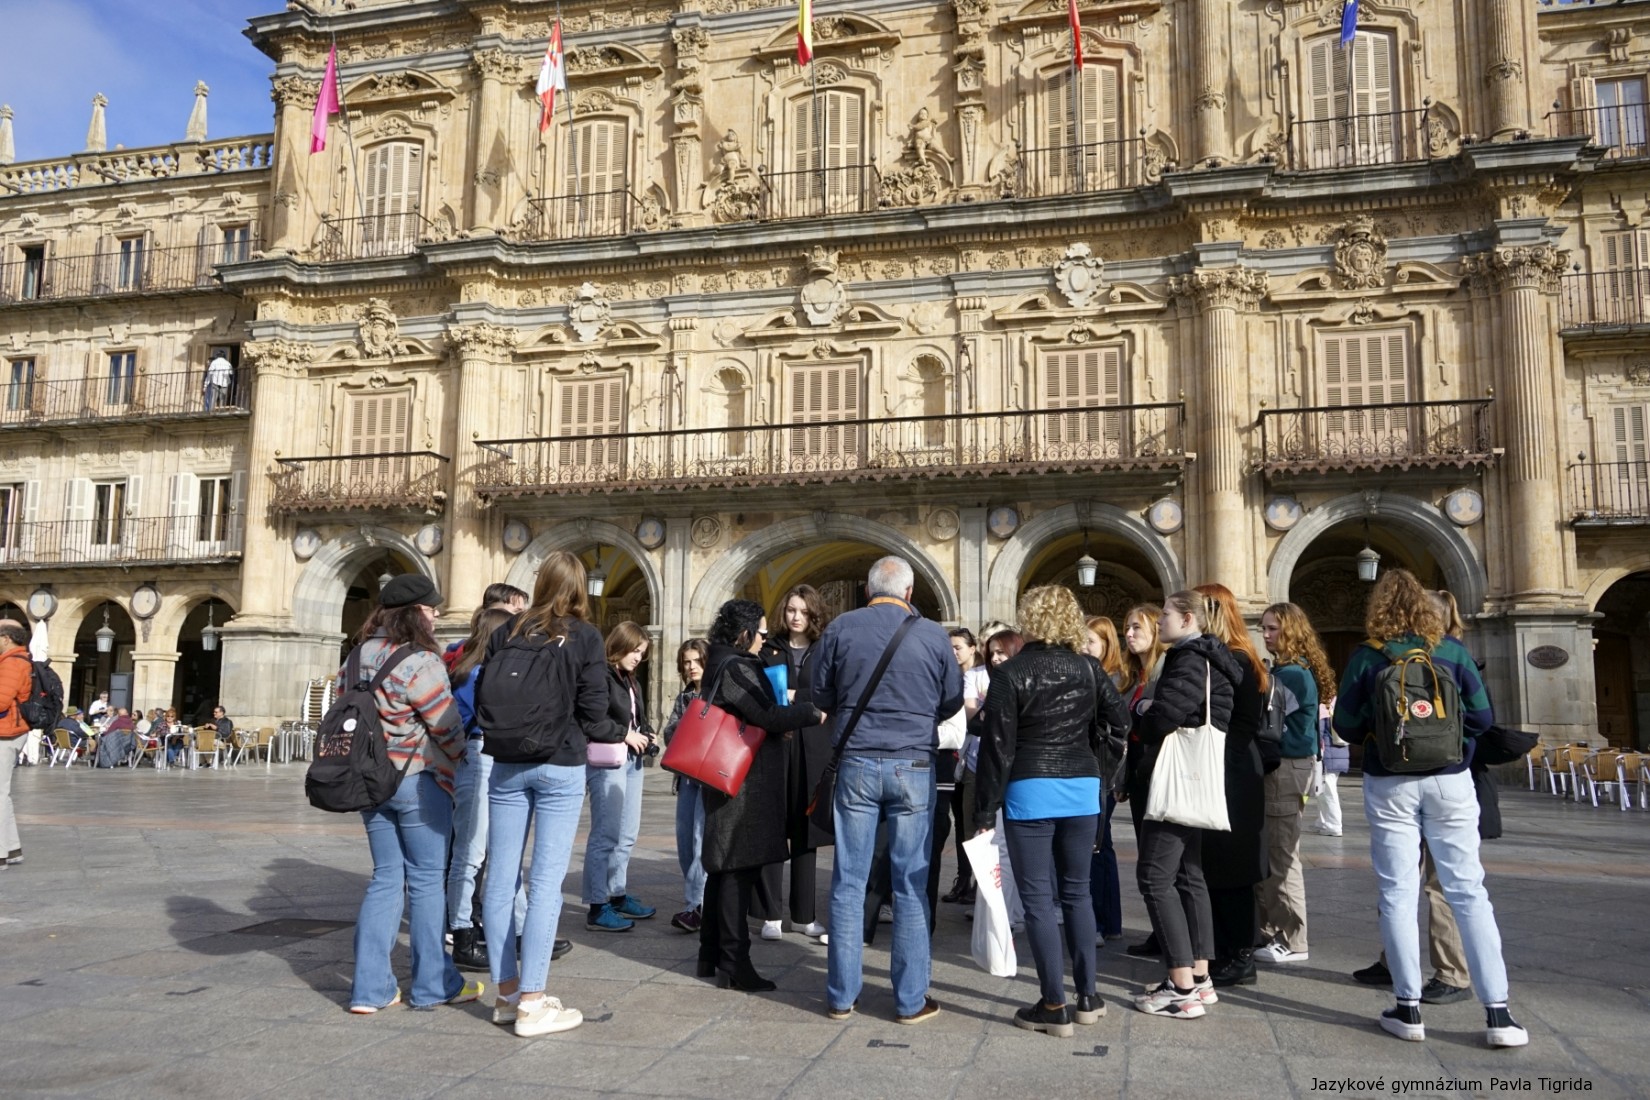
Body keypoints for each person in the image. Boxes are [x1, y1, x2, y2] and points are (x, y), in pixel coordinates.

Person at [1334, 569, 1526, 1048]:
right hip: (1450, 779)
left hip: (1389, 782)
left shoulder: (1367, 655)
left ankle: (1407, 1009)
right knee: (1468, 891)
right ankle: (1499, 1015)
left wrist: (1384, 730)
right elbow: (1483, 718)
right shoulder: (1452, 652)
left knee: (1398, 892)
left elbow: (1345, 725)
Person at [813, 556, 963, 1024]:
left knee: (848, 881)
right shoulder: (934, 635)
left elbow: (819, 693)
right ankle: (910, 1000)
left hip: (857, 760)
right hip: (913, 762)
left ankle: (841, 996)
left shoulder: (841, 628)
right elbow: (952, 700)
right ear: (910, 593)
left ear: (867, 590)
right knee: (911, 883)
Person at [974, 586, 1130, 1037]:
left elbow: (997, 747)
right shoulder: (1088, 667)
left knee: (1038, 898)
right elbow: (1121, 721)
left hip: (1030, 787)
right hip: (1081, 786)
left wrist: (984, 811)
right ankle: (1088, 996)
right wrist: (1092, 752)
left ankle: (1053, 1003)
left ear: (1028, 619)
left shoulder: (1011, 671)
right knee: (1077, 893)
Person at [479, 550, 606, 1037]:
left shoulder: (505, 631)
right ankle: (533, 1002)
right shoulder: (584, 636)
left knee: (500, 881)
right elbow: (594, 709)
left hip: (506, 764)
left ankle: (507, 996)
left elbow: (483, 692)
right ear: (577, 588)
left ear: (540, 583)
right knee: (546, 885)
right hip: (560, 764)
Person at [345, 573, 478, 1014]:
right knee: (425, 881)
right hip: (417, 780)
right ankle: (432, 985)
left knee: (386, 877)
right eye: (431, 608)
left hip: (369, 780)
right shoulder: (420, 660)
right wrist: (460, 759)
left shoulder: (356, 656)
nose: (436, 615)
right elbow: (445, 723)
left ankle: (370, 990)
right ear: (414, 613)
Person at [696, 599, 825, 991]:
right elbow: (767, 715)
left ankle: (711, 955)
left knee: (723, 868)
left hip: (727, 776)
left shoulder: (720, 661)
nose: (765, 641)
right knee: (737, 868)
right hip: (741, 783)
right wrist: (811, 713)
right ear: (744, 632)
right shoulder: (736, 666)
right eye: (761, 633)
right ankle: (735, 962)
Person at [1130, 592, 1240, 1019]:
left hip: (1179, 777)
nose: (1159, 622)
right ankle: (1200, 975)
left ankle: (1180, 987)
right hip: (1198, 775)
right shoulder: (1212, 657)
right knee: (1189, 874)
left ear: (1188, 618)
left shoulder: (1191, 658)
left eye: (1165, 615)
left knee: (1154, 876)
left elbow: (1166, 715)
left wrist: (1145, 710)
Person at [1192, 583, 1272, 991]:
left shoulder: (1234, 658)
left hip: (1232, 769)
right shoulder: (1238, 655)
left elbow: (1238, 723)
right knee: (1221, 862)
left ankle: (1240, 955)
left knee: (1232, 864)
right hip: (1232, 765)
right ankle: (1228, 949)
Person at [1255, 602, 1335, 968]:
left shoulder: (1292, 674)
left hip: (1286, 767)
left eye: (1272, 628)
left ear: (1291, 631)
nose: (1266, 634)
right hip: (1288, 766)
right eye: (1264, 628)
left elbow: (1270, 722)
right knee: (1274, 852)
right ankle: (1273, 930)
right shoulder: (1289, 670)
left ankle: (1293, 938)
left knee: (1281, 855)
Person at [756, 585, 831, 941]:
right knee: (771, 827)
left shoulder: (825, 648)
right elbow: (758, 690)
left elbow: (832, 693)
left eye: (803, 611)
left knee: (806, 832)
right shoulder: (769, 648)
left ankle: (803, 916)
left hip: (813, 748)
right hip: (776, 745)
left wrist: (794, 695)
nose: (796, 617)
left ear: (814, 613)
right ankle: (770, 914)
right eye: (790, 610)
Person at [444, 605, 514, 972]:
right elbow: (483, 718)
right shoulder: (475, 674)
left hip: (489, 755)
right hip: (478, 755)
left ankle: (507, 928)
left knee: (493, 848)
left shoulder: (477, 669)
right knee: (470, 850)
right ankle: (461, 932)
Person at [582, 621, 657, 933]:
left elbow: (634, 717)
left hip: (632, 760)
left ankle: (617, 894)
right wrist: (624, 734)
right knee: (606, 834)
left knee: (627, 834)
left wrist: (646, 733)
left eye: (642, 653)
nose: (638, 657)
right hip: (608, 759)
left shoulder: (630, 679)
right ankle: (597, 906)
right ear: (620, 644)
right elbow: (591, 720)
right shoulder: (600, 674)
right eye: (635, 650)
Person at [1118, 604, 1169, 959]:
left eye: (1137, 627)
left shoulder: (1165, 671)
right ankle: (1161, 928)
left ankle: (1171, 933)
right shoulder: (1132, 675)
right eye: (1127, 627)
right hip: (1139, 771)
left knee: (1160, 858)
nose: (1129, 634)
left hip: (1161, 770)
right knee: (1146, 852)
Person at [662, 639, 710, 933]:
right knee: (684, 844)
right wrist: (685, 727)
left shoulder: (716, 694)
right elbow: (669, 733)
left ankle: (695, 906)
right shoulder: (684, 697)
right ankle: (699, 901)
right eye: (686, 662)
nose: (691, 667)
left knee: (700, 840)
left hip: (709, 778)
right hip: (686, 778)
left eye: (696, 661)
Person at [1083, 614, 1126, 944]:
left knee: (1095, 845)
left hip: (1102, 772)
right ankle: (1109, 921)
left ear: (1107, 645)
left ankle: (1098, 920)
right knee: (1103, 844)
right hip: (1099, 772)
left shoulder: (1111, 680)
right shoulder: (1096, 675)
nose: (1084, 647)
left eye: (1090, 642)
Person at [941, 627, 985, 905]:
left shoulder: (980, 677)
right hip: (954, 756)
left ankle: (976, 882)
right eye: (950, 648)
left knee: (971, 823)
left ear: (972, 648)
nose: (953, 652)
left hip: (973, 756)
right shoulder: (949, 677)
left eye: (958, 647)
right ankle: (963, 878)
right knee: (959, 821)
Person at [0, 619, 34, 866]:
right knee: (2, 793)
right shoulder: (16, 660)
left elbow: (1, 700)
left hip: (6, 732)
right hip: (11, 730)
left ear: (6, 638)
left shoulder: (12, 663)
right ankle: (11, 848)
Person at [1313, 698, 1348, 836]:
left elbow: (1318, 734)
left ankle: (1334, 824)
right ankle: (1323, 821)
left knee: (1328, 790)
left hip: (1327, 755)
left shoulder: (1323, 708)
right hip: (1339, 753)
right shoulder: (1338, 704)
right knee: (1324, 789)